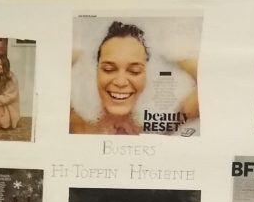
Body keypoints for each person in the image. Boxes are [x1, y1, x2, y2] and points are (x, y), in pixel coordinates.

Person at [69, 20, 199, 135]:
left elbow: (211, 83)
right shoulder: (76, 126)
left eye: (134, 71)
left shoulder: (158, 131)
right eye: (109, 69)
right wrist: (84, 53)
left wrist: (172, 57)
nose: (120, 82)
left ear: (146, 77)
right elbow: (52, 65)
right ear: (96, 72)